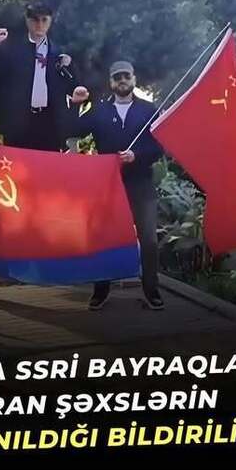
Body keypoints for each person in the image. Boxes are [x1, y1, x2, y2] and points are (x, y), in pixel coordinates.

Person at [68, 61, 164, 310]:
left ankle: (151, 289)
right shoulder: (99, 111)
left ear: (134, 79)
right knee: (104, 238)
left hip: (140, 183)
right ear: (111, 82)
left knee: (149, 240)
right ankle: (101, 290)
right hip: (108, 185)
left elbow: (158, 147)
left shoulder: (148, 110)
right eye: (117, 77)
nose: (122, 81)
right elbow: (72, 129)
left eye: (126, 76)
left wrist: (137, 155)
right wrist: (76, 104)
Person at [0, 2, 76, 151]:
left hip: (49, 124)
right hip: (18, 123)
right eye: (35, 20)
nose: (40, 25)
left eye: (44, 20)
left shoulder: (58, 52)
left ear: (50, 21)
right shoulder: (12, 49)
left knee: (46, 164)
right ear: (27, 20)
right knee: (17, 165)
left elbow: (70, 85)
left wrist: (75, 84)